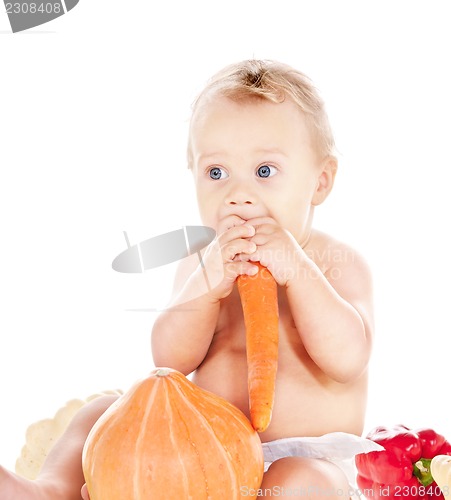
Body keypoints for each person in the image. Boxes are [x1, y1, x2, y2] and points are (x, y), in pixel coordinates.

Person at [0, 59, 378, 499]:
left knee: (299, 482)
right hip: (202, 455)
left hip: (309, 455)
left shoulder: (339, 264)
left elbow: (349, 358)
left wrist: (298, 273)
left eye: (264, 172)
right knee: (102, 411)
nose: (237, 194)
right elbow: (170, 361)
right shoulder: (203, 263)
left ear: (320, 182)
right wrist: (205, 287)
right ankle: (48, 491)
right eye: (216, 173)